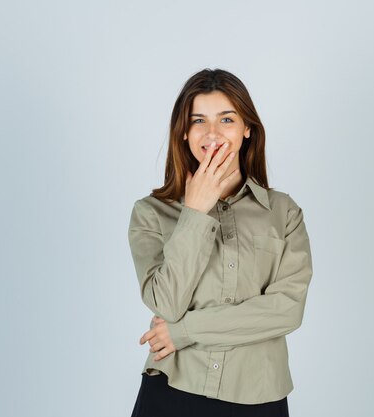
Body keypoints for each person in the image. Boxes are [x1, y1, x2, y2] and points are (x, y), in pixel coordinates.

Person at [127, 68, 313, 417]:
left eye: (226, 118)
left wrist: (184, 331)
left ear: (247, 128)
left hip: (259, 395)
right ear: (184, 132)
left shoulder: (283, 213)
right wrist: (195, 214)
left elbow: (286, 309)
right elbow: (166, 303)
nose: (212, 133)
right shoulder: (150, 213)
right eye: (199, 120)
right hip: (171, 391)